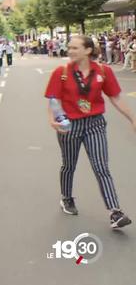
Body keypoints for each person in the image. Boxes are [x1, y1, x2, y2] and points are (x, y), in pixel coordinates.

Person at [45, 36, 133, 229]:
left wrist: (132, 118)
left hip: (95, 124)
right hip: (70, 125)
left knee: (101, 167)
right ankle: (66, 198)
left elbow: (115, 98)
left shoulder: (103, 71)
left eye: (75, 48)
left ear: (87, 50)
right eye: (69, 48)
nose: (70, 51)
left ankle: (114, 212)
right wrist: (54, 118)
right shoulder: (61, 72)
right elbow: (53, 98)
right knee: (69, 164)